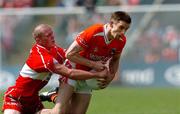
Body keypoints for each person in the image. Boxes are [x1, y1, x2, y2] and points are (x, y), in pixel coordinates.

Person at [2, 24, 109, 114]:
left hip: (33, 100)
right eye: (48, 35)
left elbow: (72, 56)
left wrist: (88, 45)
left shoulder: (54, 50)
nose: (52, 37)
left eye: (52, 33)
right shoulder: (41, 57)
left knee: (63, 112)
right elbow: (69, 73)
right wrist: (96, 74)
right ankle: (52, 95)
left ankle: (52, 95)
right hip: (16, 98)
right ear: (38, 40)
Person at [41, 11, 132, 114]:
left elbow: (115, 59)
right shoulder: (94, 31)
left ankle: (53, 95)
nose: (123, 32)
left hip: (89, 77)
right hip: (72, 70)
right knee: (58, 112)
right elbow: (69, 54)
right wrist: (94, 65)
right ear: (111, 24)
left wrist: (111, 76)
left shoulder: (121, 41)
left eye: (126, 29)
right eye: (121, 28)